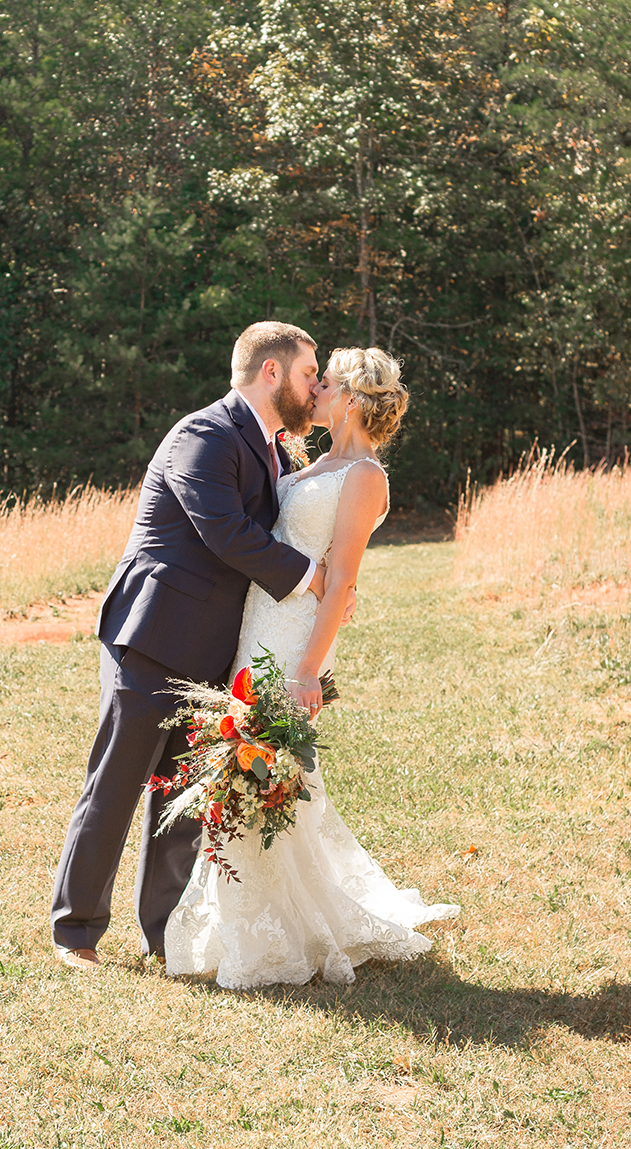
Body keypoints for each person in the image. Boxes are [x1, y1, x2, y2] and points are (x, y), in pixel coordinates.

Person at [164, 347, 458, 988]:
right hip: (258, 622)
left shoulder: (364, 478)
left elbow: (343, 579)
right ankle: (246, 915)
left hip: (294, 638)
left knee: (271, 768)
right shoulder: (309, 461)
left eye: (324, 383)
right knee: (247, 762)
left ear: (350, 398)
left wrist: (308, 670)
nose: (314, 390)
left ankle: (279, 927)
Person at [49, 322, 332, 969]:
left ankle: (164, 936)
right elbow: (226, 532)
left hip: (207, 650)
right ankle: (76, 932)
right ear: (271, 373)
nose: (314, 386)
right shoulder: (204, 433)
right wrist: (313, 578)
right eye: (308, 373)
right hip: (152, 637)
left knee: (180, 796)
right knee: (115, 786)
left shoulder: (268, 448)